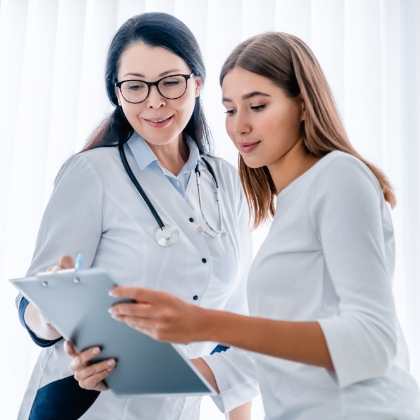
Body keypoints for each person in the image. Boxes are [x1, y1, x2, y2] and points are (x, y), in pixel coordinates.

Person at [107, 32, 420, 419]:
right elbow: (273, 356)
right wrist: (127, 373)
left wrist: (205, 324)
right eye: (230, 110)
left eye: (257, 106)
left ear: (304, 104)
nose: (240, 126)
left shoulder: (339, 176)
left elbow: (373, 342)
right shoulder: (290, 206)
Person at [16, 13, 258, 420]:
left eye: (170, 82)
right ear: (118, 93)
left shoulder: (226, 182)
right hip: (86, 403)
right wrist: (53, 308)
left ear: (197, 84)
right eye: (135, 86)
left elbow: (234, 324)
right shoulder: (92, 173)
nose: (155, 100)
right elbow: (32, 305)